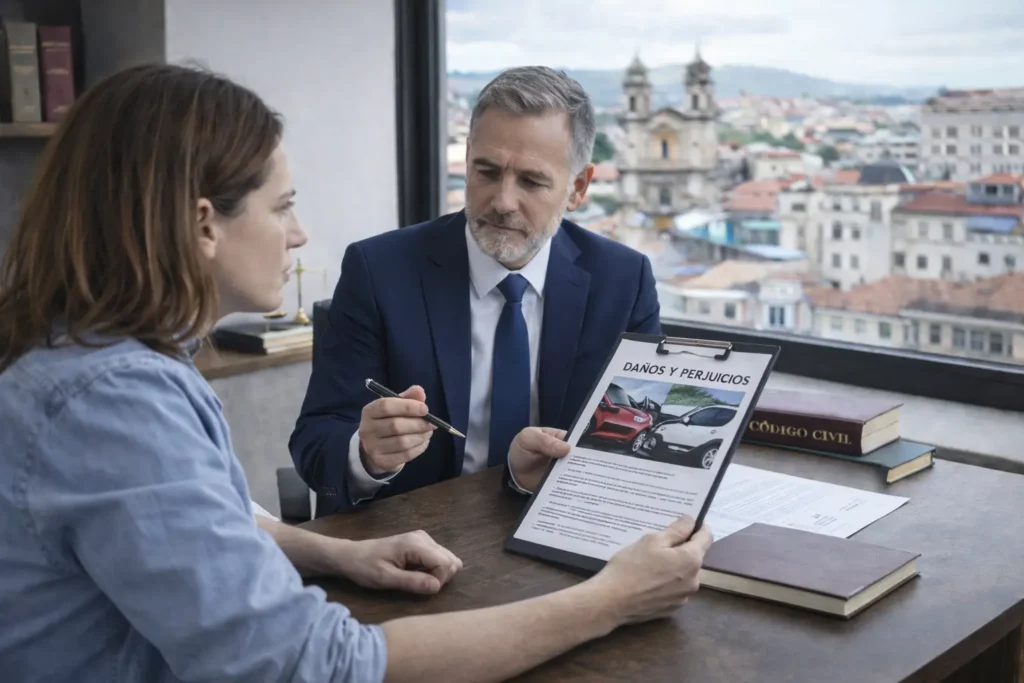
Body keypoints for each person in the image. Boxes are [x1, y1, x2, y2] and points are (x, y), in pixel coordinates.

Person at [0, 63, 712, 683]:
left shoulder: (120, 362)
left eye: (531, 180)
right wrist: (611, 600)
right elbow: (316, 664)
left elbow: (196, 523)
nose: (300, 233)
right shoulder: (114, 400)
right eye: (283, 206)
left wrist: (337, 552)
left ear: (578, 186)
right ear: (205, 224)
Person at [290, 66, 661, 517]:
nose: (503, 201)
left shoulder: (623, 281)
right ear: (466, 160)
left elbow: (637, 448)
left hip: (556, 528)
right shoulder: (379, 270)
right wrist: (366, 454)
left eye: (531, 181)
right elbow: (315, 442)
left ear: (577, 188)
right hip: (409, 537)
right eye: (486, 172)